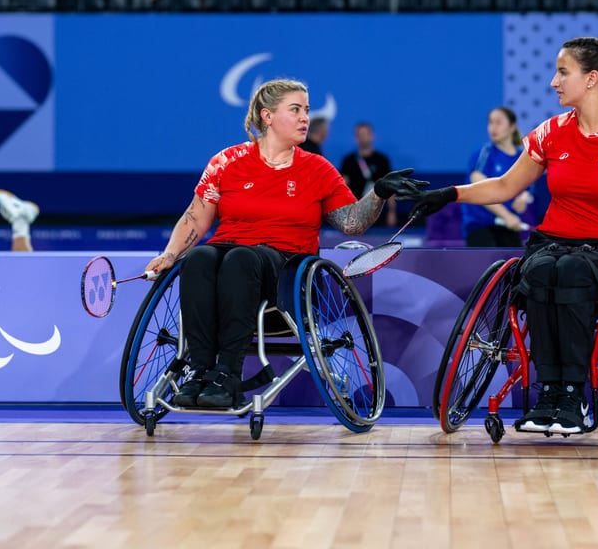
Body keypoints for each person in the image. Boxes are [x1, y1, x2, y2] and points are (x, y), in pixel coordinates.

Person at [400, 37, 598, 435]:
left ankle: (574, 395)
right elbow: (504, 187)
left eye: (563, 72)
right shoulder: (550, 133)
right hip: (553, 239)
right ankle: (550, 393)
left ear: (591, 79)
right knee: (541, 271)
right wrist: (447, 195)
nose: (553, 81)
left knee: (570, 272)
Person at [144, 79, 425, 408]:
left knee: (241, 260)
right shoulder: (227, 161)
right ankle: (199, 370)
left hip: (286, 268)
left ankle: (227, 376)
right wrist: (170, 254)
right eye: (296, 110)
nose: (305, 117)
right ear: (268, 116)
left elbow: (352, 222)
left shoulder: (317, 168)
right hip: (228, 255)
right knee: (199, 259)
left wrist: (377, 193)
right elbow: (195, 217)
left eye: (306, 110)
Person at [461, 107, 535, 248]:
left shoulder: (523, 157)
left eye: (498, 122)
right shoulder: (484, 153)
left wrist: (525, 197)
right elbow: (481, 191)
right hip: (480, 226)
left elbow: (529, 186)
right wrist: (507, 216)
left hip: (509, 226)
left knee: (514, 267)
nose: (492, 128)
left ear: (512, 126)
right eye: (490, 122)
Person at [340, 122, 398, 227]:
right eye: (359, 135)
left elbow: (390, 188)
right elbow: (343, 188)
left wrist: (392, 212)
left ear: (372, 136)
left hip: (378, 211)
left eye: (365, 134)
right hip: (356, 213)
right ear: (355, 137)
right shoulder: (348, 161)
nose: (362, 138)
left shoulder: (382, 160)